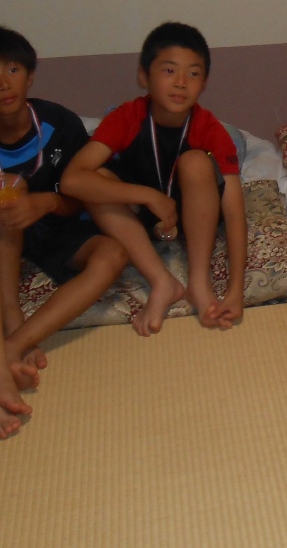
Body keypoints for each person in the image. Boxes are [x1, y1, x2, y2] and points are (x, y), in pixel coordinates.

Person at [61, 22, 247, 337]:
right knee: (97, 180)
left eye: (193, 74)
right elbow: (72, 180)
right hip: (141, 215)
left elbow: (234, 210)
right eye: (169, 70)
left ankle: (198, 284)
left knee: (196, 162)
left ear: (204, 84)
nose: (181, 83)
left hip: (194, 214)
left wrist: (235, 290)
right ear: (144, 76)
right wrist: (147, 196)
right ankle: (162, 282)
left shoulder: (209, 128)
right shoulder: (126, 117)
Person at [0, 27, 129, 438]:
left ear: (30, 76)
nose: (2, 83)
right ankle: (12, 318)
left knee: (112, 253)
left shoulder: (60, 123)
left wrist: (46, 203)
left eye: (13, 69)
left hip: (58, 226)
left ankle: (11, 348)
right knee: (9, 194)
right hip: (4, 234)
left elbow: (80, 196)